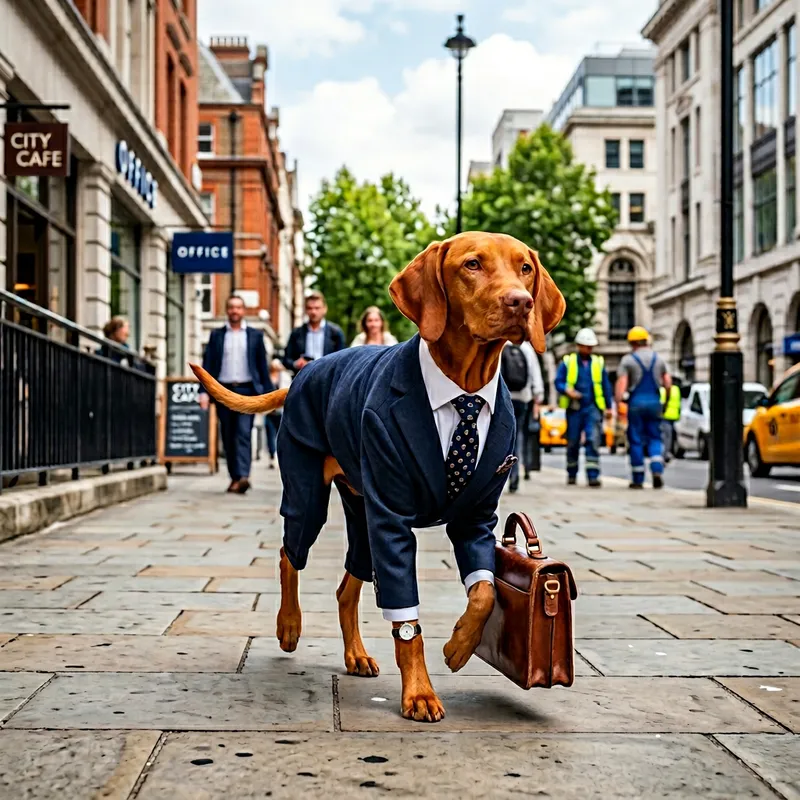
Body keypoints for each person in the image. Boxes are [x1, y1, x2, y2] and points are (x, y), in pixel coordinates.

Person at [199, 295, 273, 494]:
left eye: (238, 307)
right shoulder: (216, 335)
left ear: (244, 311)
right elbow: (207, 365)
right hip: (223, 390)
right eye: (231, 307)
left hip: (247, 390)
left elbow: (262, 368)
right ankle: (234, 477)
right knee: (228, 435)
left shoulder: (255, 336)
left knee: (243, 434)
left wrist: (268, 397)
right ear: (226, 310)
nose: (235, 311)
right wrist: (203, 392)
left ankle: (243, 476)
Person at [554, 328, 613, 487]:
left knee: (593, 440)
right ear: (579, 345)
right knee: (573, 441)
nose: (589, 349)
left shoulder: (598, 363)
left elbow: (606, 386)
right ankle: (572, 473)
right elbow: (558, 382)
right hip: (575, 408)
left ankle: (593, 476)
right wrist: (567, 391)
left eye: (591, 346)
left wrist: (608, 407)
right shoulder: (568, 361)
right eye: (586, 346)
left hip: (592, 407)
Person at [615, 326, 672, 490]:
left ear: (632, 342)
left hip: (636, 403)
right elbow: (667, 383)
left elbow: (622, 384)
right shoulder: (658, 359)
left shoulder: (628, 360)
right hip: (655, 401)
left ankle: (638, 479)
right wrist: (665, 401)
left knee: (636, 439)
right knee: (655, 437)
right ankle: (657, 469)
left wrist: (619, 402)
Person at [502, 340, 544, 493]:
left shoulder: (501, 345)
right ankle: (515, 477)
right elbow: (535, 374)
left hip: (504, 398)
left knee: (502, 438)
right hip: (523, 399)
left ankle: (500, 478)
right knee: (518, 437)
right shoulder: (526, 348)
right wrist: (537, 397)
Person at [282, 292, 345, 374]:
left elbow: (343, 360)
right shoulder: (296, 333)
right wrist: (296, 364)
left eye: (317, 308)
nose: (313, 312)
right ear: (305, 310)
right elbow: (286, 360)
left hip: (327, 379)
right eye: (310, 308)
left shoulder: (335, 333)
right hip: (302, 378)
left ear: (324, 309)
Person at [264, 359, 289, 469]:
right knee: (270, 435)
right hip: (269, 412)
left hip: (281, 412)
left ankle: (280, 456)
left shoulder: (284, 376)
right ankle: (272, 456)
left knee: (281, 435)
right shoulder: (267, 376)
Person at [660, 380, 682, 464]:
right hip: (674, 416)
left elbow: (661, 403)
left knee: (665, 436)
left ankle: (665, 454)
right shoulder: (676, 389)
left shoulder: (662, 390)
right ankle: (667, 452)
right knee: (669, 436)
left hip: (665, 416)